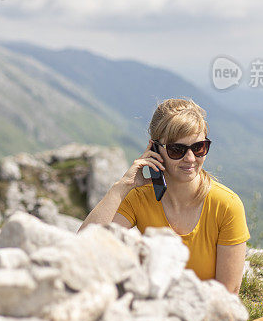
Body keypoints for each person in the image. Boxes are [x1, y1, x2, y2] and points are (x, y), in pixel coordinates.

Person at [78, 98, 249, 294]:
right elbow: (84, 247)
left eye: (199, 147)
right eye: (177, 149)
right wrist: (122, 186)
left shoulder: (226, 206)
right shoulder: (139, 198)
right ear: (155, 149)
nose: (191, 158)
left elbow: (228, 293)